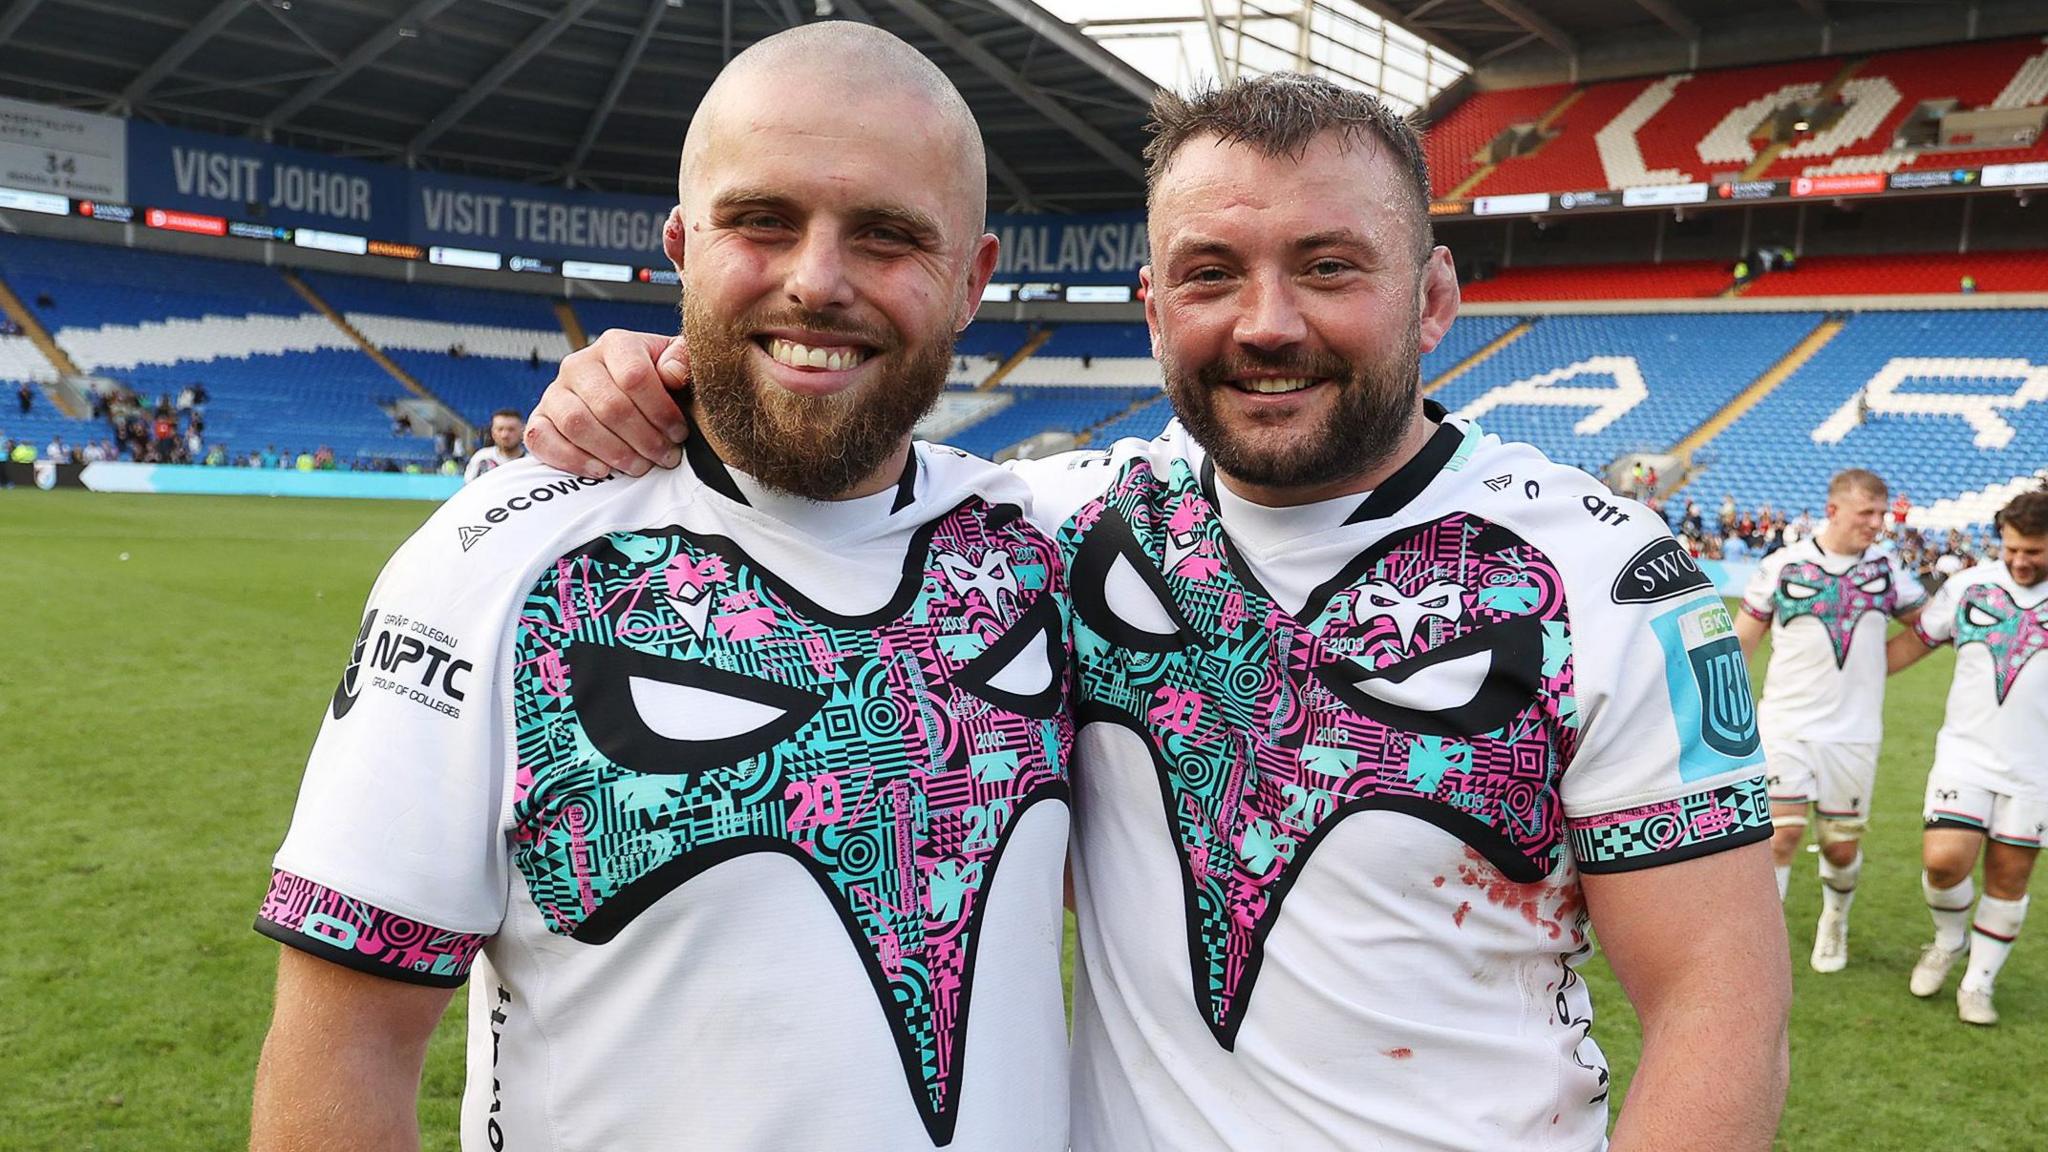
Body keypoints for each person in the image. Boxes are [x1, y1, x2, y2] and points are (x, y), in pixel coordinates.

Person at [530, 71, 1791, 1151]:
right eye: (1209, 275)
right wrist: (634, 377)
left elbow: (1715, 1009)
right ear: (1150, 310)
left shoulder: (1607, 581)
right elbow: (816, 456)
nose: (1265, 323)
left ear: (1434, 296)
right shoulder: (1048, 531)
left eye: (1327, 268)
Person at [249, 25, 1073, 1152]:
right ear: (682, 244)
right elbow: (347, 1045)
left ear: (972, 279)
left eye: (886, 236)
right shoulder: (495, 563)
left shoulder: (1056, 548)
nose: (814, 280)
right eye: (761, 222)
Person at [1734, 469, 1925, 970]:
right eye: (1868, 513)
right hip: (1785, 724)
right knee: (1780, 835)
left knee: (1840, 849)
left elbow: (1928, 628)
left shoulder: (1888, 570)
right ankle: (1762, 947)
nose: (1878, 523)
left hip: (1854, 732)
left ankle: (1834, 921)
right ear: (1834, 510)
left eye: (1882, 514)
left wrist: (1877, 670)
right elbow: (1742, 642)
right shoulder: (1784, 566)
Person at [1889, 489, 2048, 1025]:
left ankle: (1979, 984)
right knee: (1942, 863)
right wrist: (1850, 680)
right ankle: (1949, 940)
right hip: (1966, 754)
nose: (2021, 561)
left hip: (2036, 770)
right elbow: (1918, 640)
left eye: (2035, 551)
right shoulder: (1969, 586)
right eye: (2013, 549)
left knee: (2009, 878)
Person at [462, 409, 528, 482]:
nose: (504, 435)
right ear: (493, 432)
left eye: (511, 429)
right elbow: (468, 487)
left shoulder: (531, 462)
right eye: (500, 429)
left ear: (522, 431)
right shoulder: (481, 458)